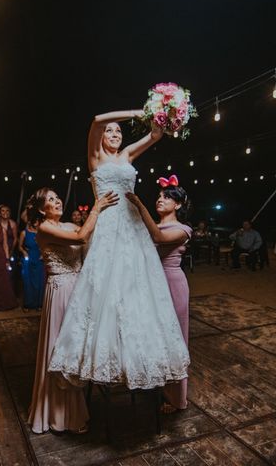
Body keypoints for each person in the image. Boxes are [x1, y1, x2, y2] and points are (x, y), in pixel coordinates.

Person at [48, 110, 190, 390]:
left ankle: (136, 357)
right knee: (105, 289)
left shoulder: (126, 156)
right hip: (108, 226)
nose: (114, 134)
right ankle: (105, 357)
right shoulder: (95, 158)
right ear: (102, 137)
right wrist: (141, 112)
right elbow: (97, 119)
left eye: (119, 132)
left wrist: (163, 113)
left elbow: (156, 135)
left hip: (133, 227)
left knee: (137, 290)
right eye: (111, 132)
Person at [27, 187, 118, 434]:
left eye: (57, 198)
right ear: (40, 208)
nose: (57, 202)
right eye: (50, 200)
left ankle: (75, 407)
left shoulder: (68, 225)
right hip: (61, 291)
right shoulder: (44, 228)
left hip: (79, 289)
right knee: (61, 349)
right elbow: (80, 239)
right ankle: (62, 416)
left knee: (77, 348)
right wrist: (97, 208)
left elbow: (86, 236)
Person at [127, 174, 192, 413]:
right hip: (151, 283)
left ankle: (177, 399)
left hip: (172, 283)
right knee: (155, 338)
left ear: (178, 204)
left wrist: (140, 205)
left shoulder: (183, 229)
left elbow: (159, 237)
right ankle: (158, 385)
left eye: (167, 197)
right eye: (159, 196)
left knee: (175, 339)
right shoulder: (151, 225)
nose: (160, 199)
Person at [18, 219, 45, 311]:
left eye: (38, 221)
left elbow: (47, 245)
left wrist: (43, 254)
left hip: (39, 258)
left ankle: (39, 304)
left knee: (39, 282)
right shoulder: (24, 233)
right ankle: (27, 304)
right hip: (28, 258)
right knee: (27, 282)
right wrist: (24, 252)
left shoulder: (43, 233)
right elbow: (19, 246)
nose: (36, 223)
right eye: (35, 221)